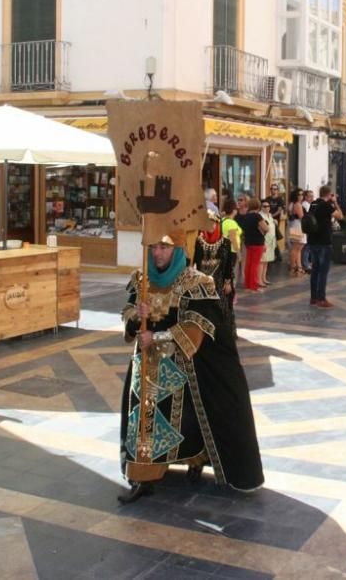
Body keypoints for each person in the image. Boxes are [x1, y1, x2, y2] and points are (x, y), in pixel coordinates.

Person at [119, 234, 264, 502]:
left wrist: (159, 338)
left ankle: (194, 461)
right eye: (154, 247)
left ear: (176, 250)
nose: (157, 253)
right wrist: (135, 317)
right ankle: (143, 475)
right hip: (145, 366)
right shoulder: (141, 279)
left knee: (189, 420)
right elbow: (126, 311)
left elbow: (198, 327)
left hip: (183, 367)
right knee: (142, 420)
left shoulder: (197, 283)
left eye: (164, 247)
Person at [193, 213, 236, 328]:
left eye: (213, 223)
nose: (210, 226)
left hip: (219, 281)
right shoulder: (198, 241)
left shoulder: (225, 242)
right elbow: (194, 262)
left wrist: (228, 282)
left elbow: (228, 264)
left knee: (220, 308)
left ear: (217, 224)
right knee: (204, 307)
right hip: (202, 280)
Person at [307, 185, 343, 308]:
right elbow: (340, 216)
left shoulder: (313, 204)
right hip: (324, 241)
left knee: (315, 270)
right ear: (329, 194)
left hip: (312, 240)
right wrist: (335, 203)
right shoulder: (326, 205)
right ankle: (321, 298)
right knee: (323, 271)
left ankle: (313, 298)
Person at [236, 197, 267, 292]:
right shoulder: (257, 216)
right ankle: (254, 286)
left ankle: (248, 285)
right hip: (258, 242)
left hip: (248, 241)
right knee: (255, 264)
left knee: (248, 264)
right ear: (258, 206)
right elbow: (265, 228)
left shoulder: (246, 216)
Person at [286, 189, 307, 277]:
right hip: (298, 227)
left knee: (298, 248)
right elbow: (302, 217)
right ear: (296, 195)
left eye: (302, 194)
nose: (301, 196)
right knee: (296, 248)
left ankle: (298, 268)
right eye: (299, 194)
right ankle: (293, 267)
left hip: (294, 226)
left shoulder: (291, 204)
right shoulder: (297, 204)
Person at [259, 200, 277, 286]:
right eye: (264, 206)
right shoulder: (260, 216)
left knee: (267, 261)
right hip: (265, 240)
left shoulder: (270, 215)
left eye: (268, 206)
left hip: (271, 240)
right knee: (262, 261)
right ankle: (259, 280)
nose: (267, 208)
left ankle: (264, 278)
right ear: (261, 207)